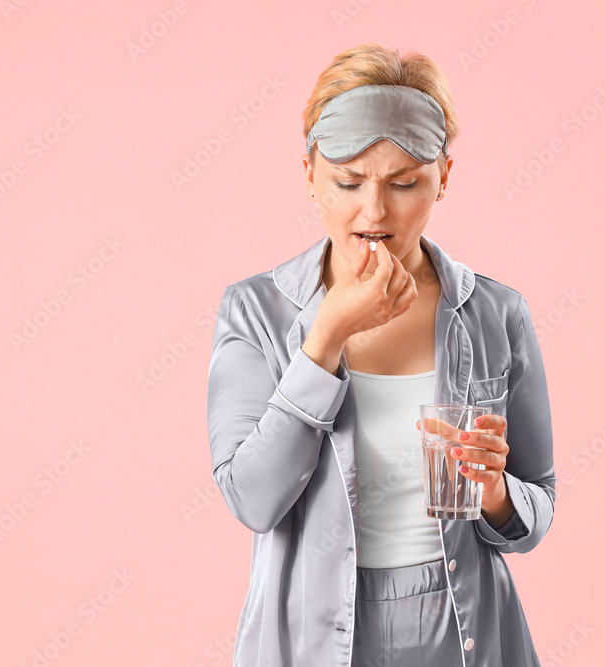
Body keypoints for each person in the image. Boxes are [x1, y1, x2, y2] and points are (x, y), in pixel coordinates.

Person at [206, 43, 555, 667]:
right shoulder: (256, 312)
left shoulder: (497, 315)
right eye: (347, 181)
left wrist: (494, 489)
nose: (374, 211)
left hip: (466, 630)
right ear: (309, 172)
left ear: (443, 177)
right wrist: (325, 339)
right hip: (310, 636)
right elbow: (252, 500)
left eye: (404, 183)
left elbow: (538, 506)